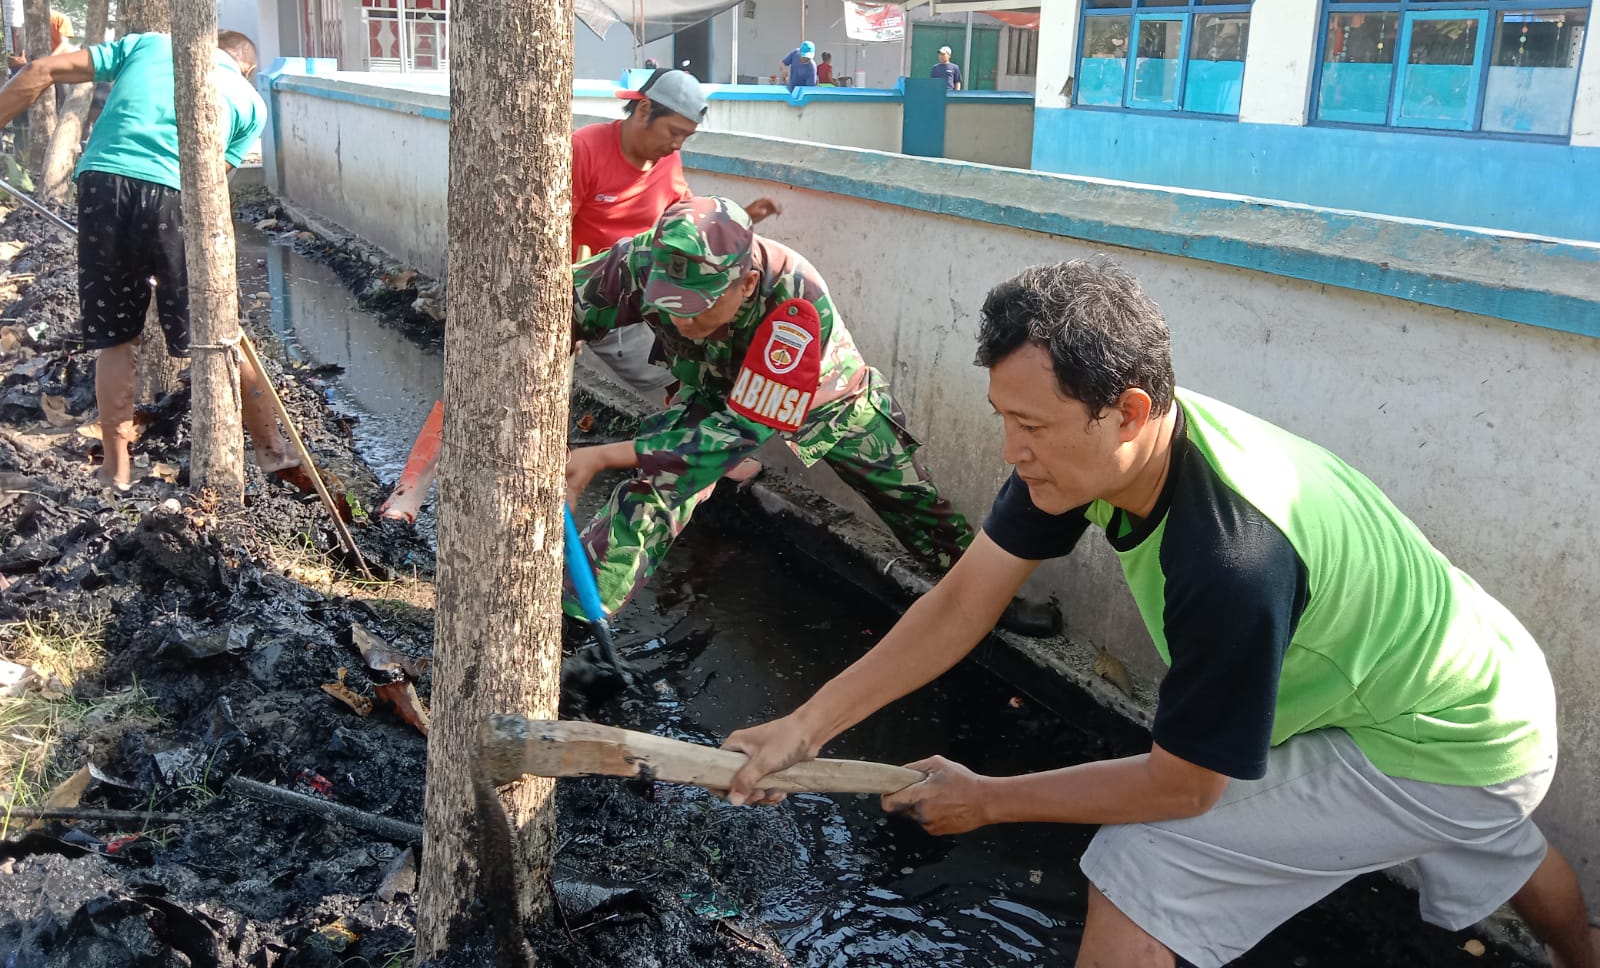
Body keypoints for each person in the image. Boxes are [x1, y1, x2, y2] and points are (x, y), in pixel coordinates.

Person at [723, 258, 1596, 968]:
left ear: (1129, 411)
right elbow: (962, 604)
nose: (1009, 450)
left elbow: (1183, 787)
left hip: (1454, 738)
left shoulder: (1231, 560)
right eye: (1002, 417)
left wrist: (988, 800)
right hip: (1485, 684)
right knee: (1481, 830)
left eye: (1030, 424)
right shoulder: (1095, 456)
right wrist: (804, 727)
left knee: (1145, 863)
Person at [565, 196, 1062, 634]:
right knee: (657, 488)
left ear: (747, 284)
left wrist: (606, 456)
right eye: (667, 305)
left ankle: (987, 595)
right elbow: (560, 304)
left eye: (697, 308)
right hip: (715, 386)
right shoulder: (643, 260)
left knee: (906, 494)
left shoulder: (795, 303)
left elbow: (738, 435)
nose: (679, 320)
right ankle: (579, 618)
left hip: (826, 397)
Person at [0, 30, 304, 491]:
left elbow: (39, 70)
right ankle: (272, 450)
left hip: (104, 184)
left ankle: (116, 470)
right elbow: (211, 182)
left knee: (117, 337)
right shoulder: (250, 102)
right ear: (247, 68)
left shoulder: (147, 44)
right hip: (177, 194)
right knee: (219, 331)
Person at [574, 67, 778, 395]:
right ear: (644, 110)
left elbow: (684, 225)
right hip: (595, 291)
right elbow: (546, 240)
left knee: (683, 379)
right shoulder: (584, 149)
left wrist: (743, 218)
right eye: (673, 132)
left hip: (652, 289)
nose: (677, 144)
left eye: (686, 136)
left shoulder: (668, 161)